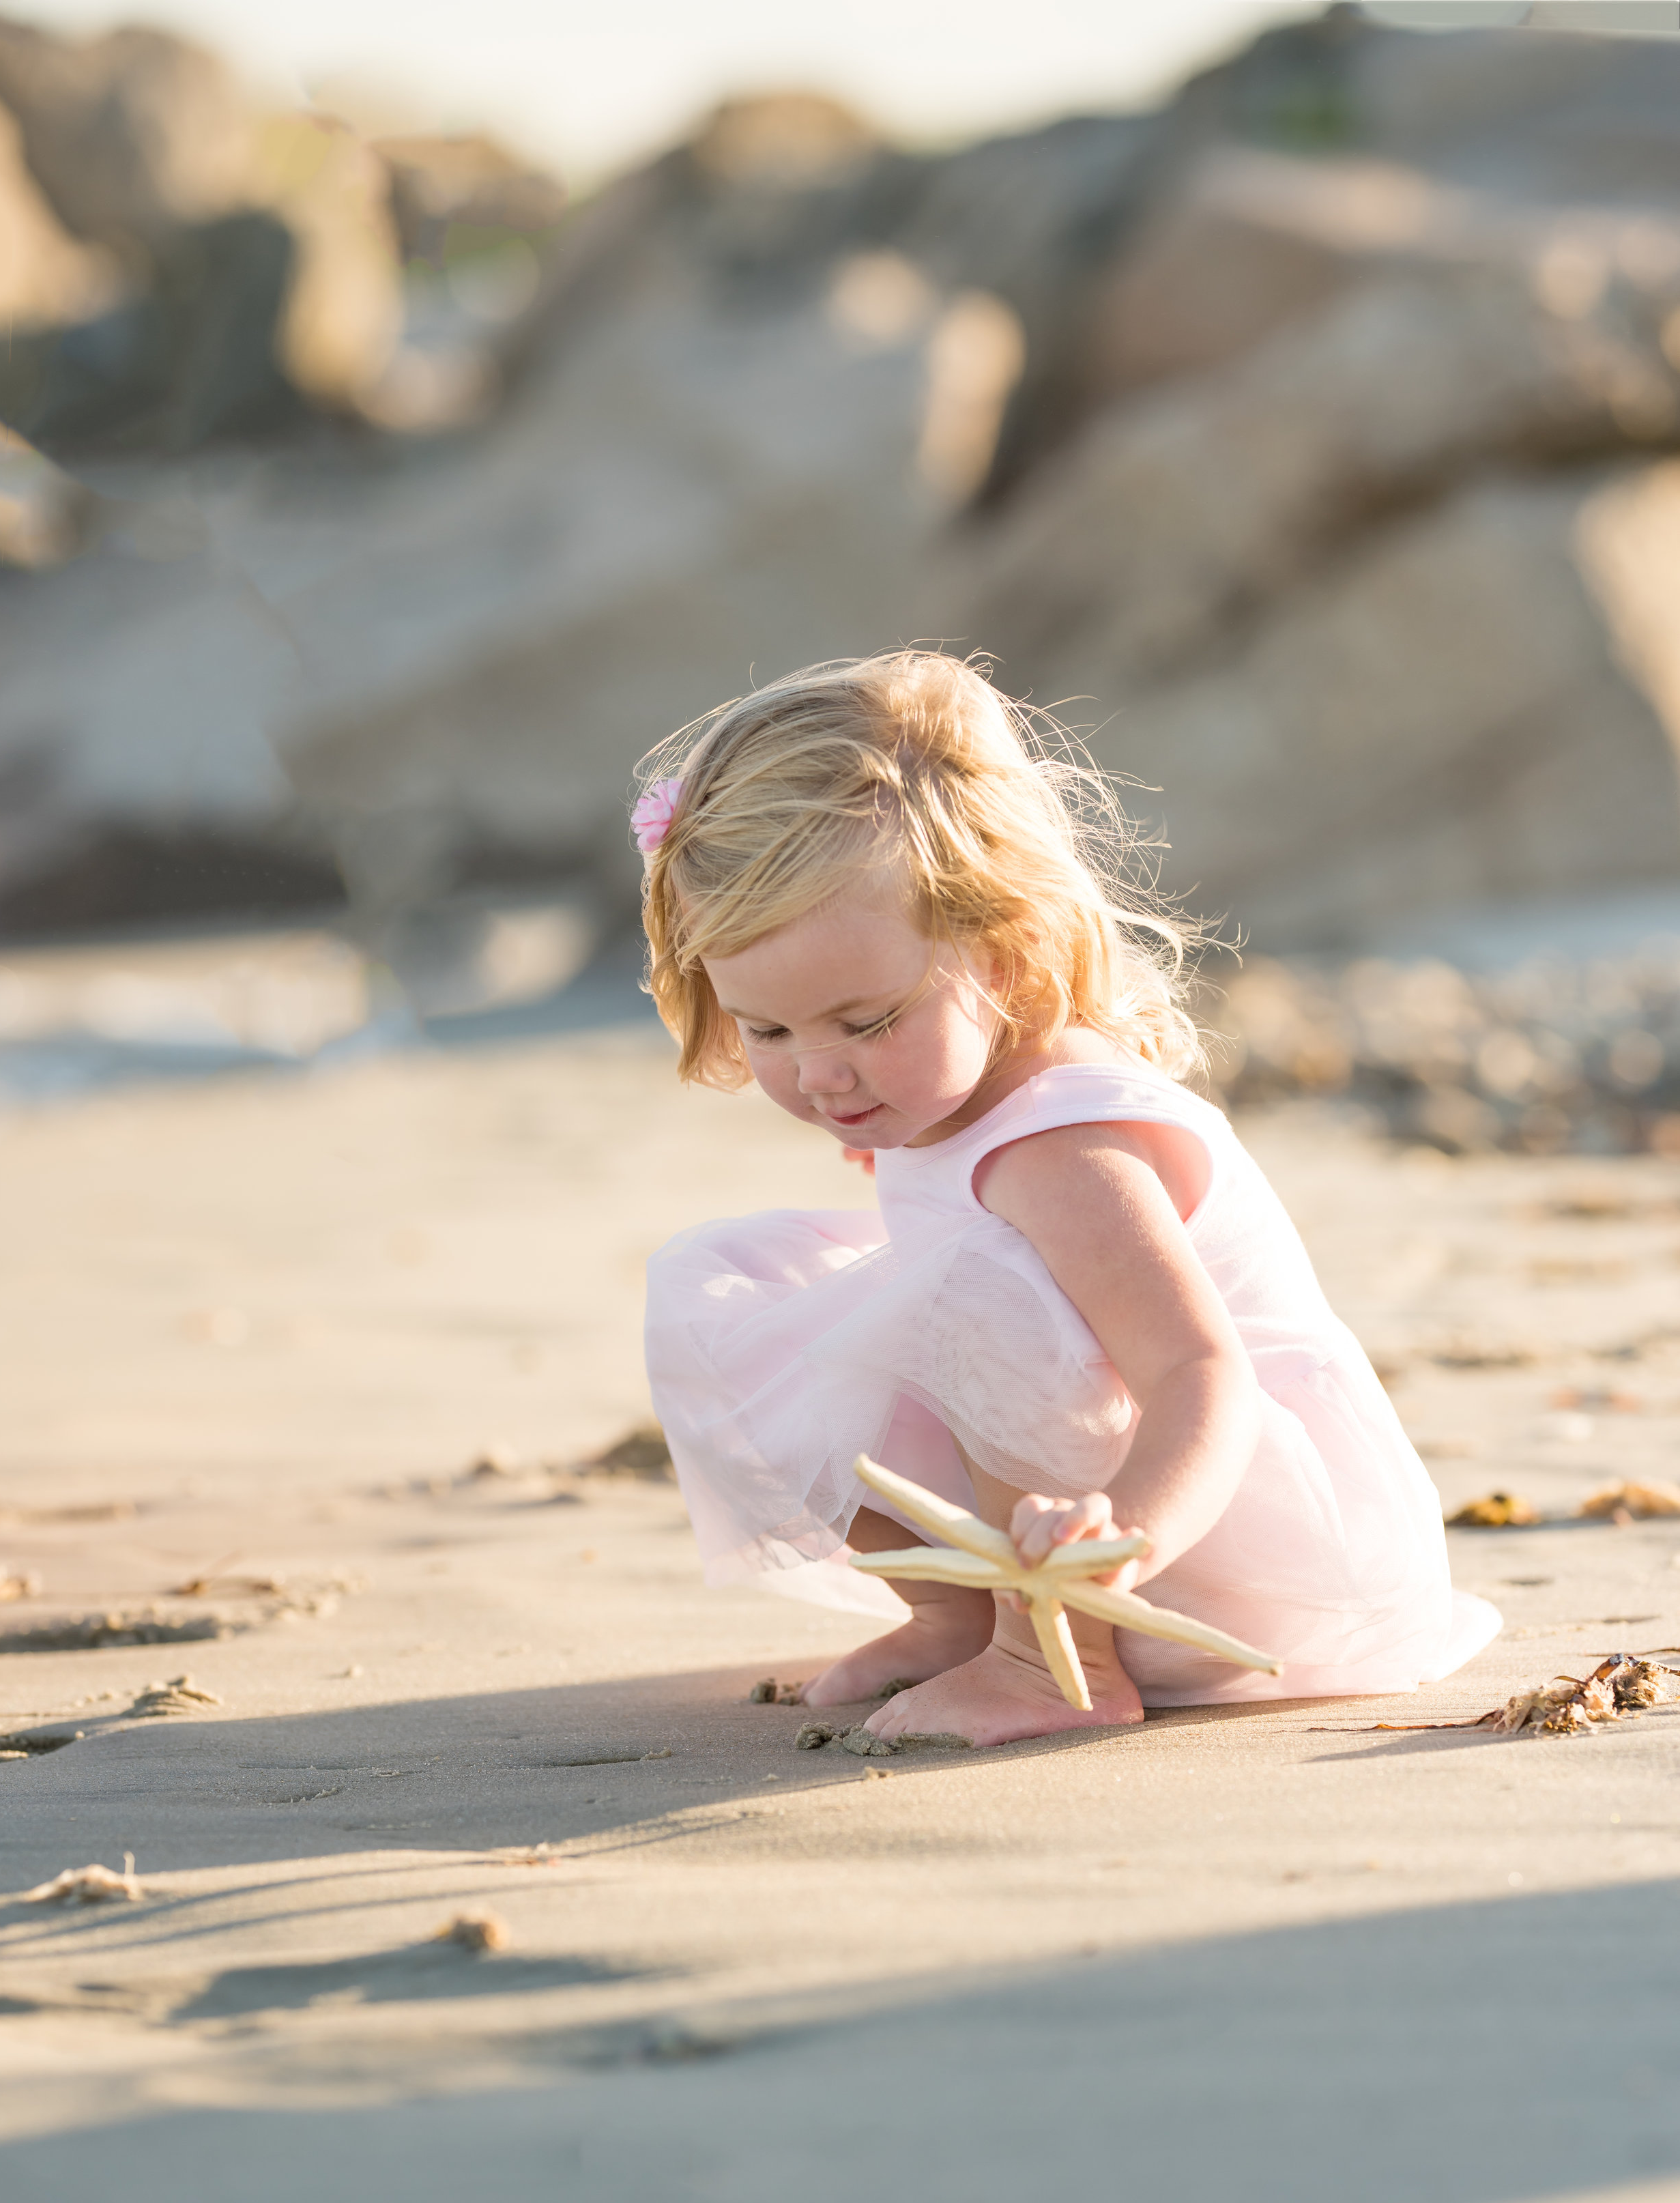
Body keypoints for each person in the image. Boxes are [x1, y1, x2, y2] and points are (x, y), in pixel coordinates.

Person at [637, 650, 1499, 1747]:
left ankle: (1049, 1663)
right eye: (769, 1030)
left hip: (1226, 1547)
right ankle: (961, 1613)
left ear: (1004, 951)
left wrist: (1122, 1534)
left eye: (866, 1023)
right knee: (729, 1291)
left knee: (967, 1289)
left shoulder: (1062, 1152)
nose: (821, 1076)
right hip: (1080, 1536)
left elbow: (1203, 1374)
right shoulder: (941, 1092)